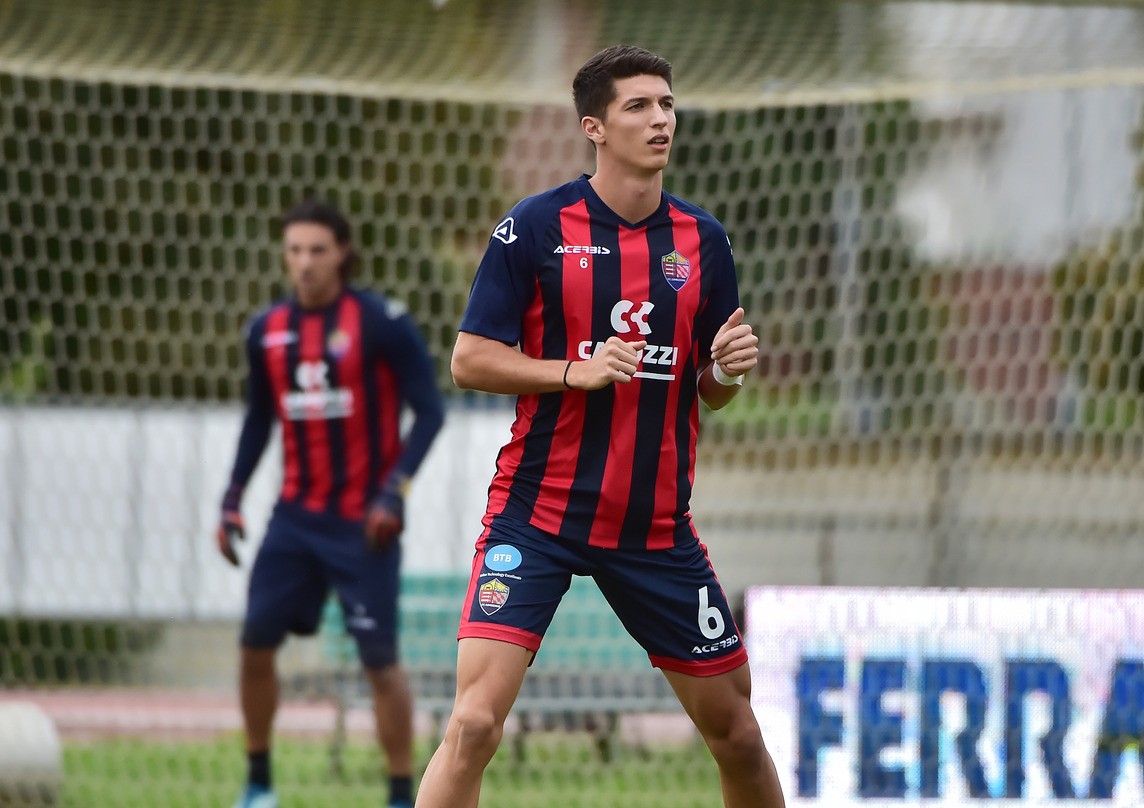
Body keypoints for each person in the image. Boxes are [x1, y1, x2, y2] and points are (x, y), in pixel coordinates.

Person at [414, 45, 785, 808]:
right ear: (594, 127)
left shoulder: (703, 240)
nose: (660, 119)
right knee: (475, 724)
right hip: (538, 513)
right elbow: (469, 360)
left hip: (654, 529)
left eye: (667, 104)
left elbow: (709, 392)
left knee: (740, 735)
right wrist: (570, 372)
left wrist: (727, 371)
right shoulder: (536, 226)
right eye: (638, 106)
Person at [217, 199, 446, 808]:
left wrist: (394, 492)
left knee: (380, 661)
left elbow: (430, 412)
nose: (305, 263)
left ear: (342, 252)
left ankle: (400, 795)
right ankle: (259, 785)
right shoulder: (266, 331)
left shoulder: (382, 323)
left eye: (317, 250)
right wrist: (231, 500)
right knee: (254, 644)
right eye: (295, 250)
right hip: (293, 520)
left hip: (364, 524)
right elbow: (258, 421)